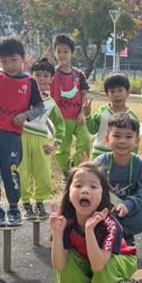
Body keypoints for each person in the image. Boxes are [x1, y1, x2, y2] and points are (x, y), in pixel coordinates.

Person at [49, 162, 139, 283]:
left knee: (105, 261)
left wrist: (89, 230)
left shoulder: (110, 225)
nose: (85, 190)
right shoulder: (66, 223)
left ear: (102, 195)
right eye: (78, 185)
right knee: (68, 256)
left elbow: (98, 265)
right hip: (91, 261)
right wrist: (57, 234)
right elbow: (59, 265)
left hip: (120, 260)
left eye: (93, 186)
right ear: (69, 194)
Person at [0, 36, 44, 227]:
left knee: (10, 170)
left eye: (14, 60)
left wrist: (26, 115)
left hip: (11, 134)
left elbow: (40, 106)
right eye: (4, 61)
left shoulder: (29, 82)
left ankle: (14, 209)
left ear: (23, 58)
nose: (10, 65)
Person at [94, 114, 142, 245]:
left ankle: (126, 235)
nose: (122, 141)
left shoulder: (140, 165)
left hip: (127, 209)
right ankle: (100, 234)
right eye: (116, 136)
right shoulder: (101, 161)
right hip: (105, 207)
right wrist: (85, 172)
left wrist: (128, 205)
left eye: (128, 137)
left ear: (136, 141)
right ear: (107, 139)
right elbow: (89, 183)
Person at [20, 57, 65, 221]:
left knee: (43, 174)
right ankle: (25, 204)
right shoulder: (24, 94)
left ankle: (39, 203)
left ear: (52, 79)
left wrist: (55, 145)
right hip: (22, 137)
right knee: (21, 173)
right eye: (37, 75)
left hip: (41, 142)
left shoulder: (51, 103)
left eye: (46, 76)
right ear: (32, 75)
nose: (41, 79)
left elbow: (60, 125)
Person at [49, 34, 92, 177]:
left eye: (66, 51)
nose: (62, 55)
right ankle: (66, 172)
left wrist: (82, 113)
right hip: (61, 119)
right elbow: (40, 81)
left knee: (85, 141)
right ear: (55, 53)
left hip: (78, 117)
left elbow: (84, 94)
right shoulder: (52, 73)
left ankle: (76, 167)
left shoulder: (79, 74)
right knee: (63, 148)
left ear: (72, 53)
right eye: (59, 51)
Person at [87, 72, 139, 159]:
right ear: (107, 94)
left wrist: (133, 158)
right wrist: (87, 115)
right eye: (112, 91)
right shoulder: (102, 111)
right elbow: (92, 130)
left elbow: (134, 141)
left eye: (120, 90)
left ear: (128, 92)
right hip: (99, 154)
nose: (116, 94)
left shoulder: (132, 117)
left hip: (122, 156)